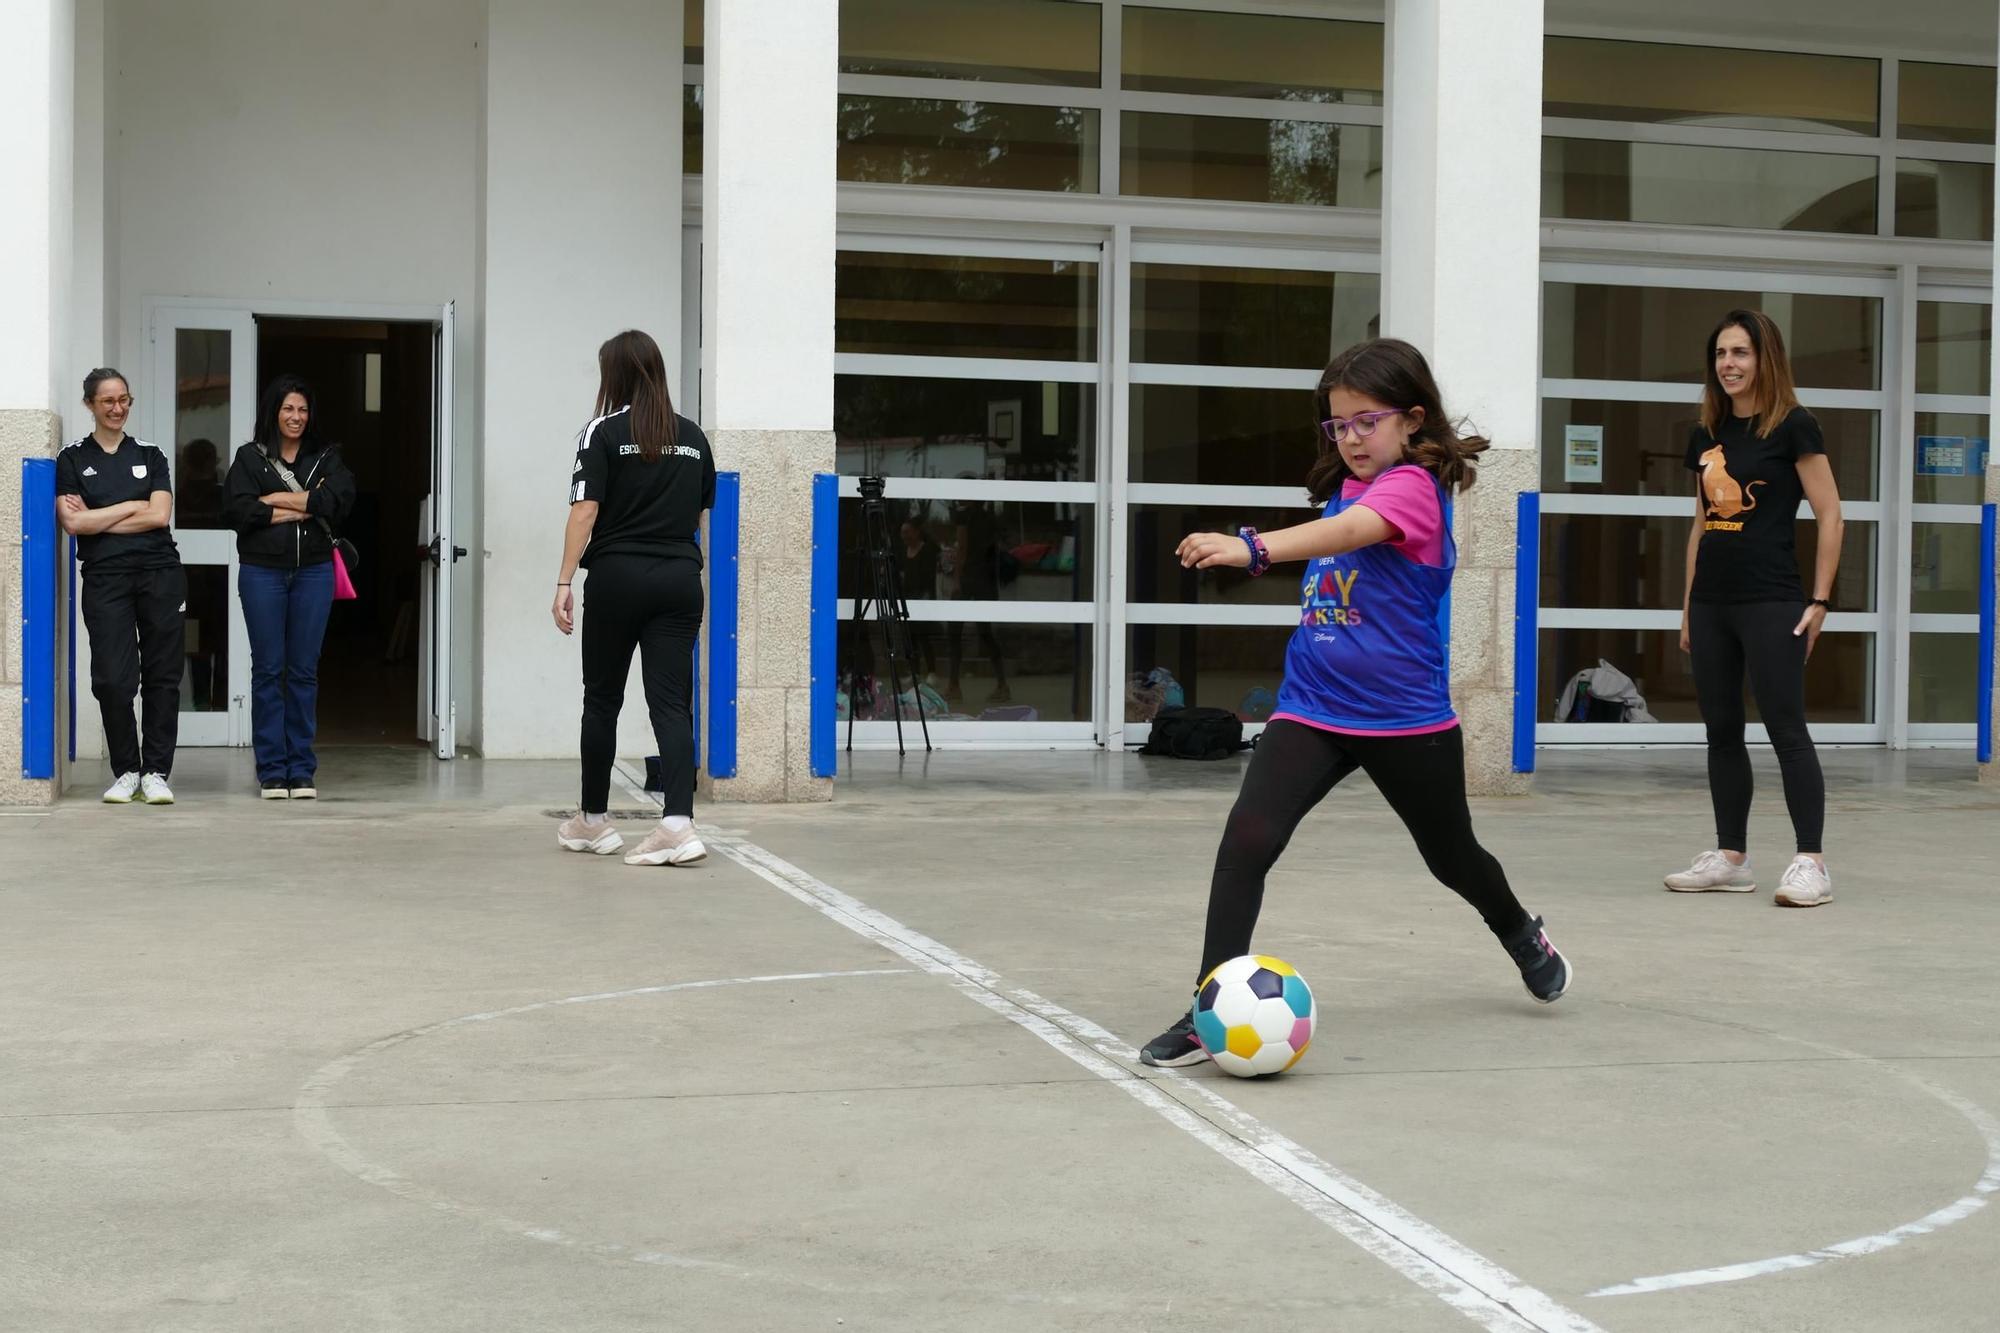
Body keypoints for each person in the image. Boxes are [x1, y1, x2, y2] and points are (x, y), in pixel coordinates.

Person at [1138, 338, 1571, 1068]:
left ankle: (1518, 928)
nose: (1350, 438)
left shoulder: (1411, 488)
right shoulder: (1344, 481)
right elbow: (1336, 534)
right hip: (1312, 705)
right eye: (1336, 425)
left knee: (1453, 857)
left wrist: (1251, 547)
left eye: (1364, 421)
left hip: (1405, 720)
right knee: (1247, 837)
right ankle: (1207, 1005)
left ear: (1411, 419)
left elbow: (1345, 534)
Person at [1665, 310, 1843, 907]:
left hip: (1773, 600)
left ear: (1764, 359)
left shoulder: (1795, 426)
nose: (1728, 364)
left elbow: (1830, 513)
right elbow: (1700, 526)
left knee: (1786, 729)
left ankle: (1810, 861)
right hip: (1714, 602)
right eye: (1720, 354)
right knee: (1721, 730)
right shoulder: (1705, 436)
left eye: (1740, 353)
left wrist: (1819, 600)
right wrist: (1689, 606)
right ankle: (1731, 856)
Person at [552, 329, 715, 867]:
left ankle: (594, 822)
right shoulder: (694, 438)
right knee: (672, 703)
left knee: (602, 699)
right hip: (678, 580)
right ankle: (677, 824)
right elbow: (698, 516)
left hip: (618, 578)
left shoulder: (601, 431)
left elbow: (585, 510)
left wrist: (563, 581)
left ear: (614, 375)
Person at [55, 368, 186, 805]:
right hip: (105, 578)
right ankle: (127, 769)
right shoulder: (71, 458)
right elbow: (73, 522)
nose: (117, 408)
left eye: (124, 399)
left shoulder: (151, 455)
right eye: (108, 401)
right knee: (113, 678)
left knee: (163, 675)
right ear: (90, 404)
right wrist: (133, 503)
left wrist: (102, 515)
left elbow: (158, 517)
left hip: (160, 574)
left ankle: (155, 772)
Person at [223, 374, 357, 800]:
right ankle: (271, 771)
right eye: (288, 409)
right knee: (267, 670)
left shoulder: (327, 457)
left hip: (314, 572)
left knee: (302, 671)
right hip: (262, 572)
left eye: (302, 409)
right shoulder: (249, 458)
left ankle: (301, 769)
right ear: (273, 412)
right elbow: (239, 510)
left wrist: (271, 501)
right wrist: (298, 506)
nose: (295, 417)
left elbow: (333, 502)